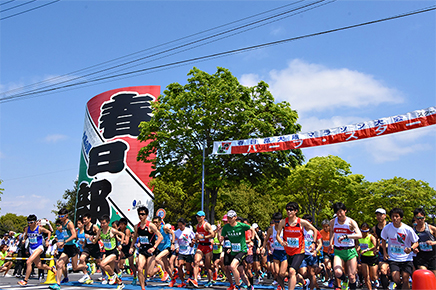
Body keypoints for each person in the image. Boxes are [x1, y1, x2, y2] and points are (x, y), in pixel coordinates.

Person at [276, 202, 318, 290]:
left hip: (299, 251)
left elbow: (314, 230)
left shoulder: (301, 222)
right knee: (284, 273)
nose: (289, 211)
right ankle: (304, 282)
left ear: (296, 211)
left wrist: (313, 243)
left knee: (291, 271)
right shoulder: (283, 222)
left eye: (291, 210)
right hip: (288, 252)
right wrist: (281, 242)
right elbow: (277, 235)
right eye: (287, 209)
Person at [381, 207, 419, 290]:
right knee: (396, 278)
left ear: (401, 217)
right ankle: (399, 285)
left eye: (397, 216)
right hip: (394, 258)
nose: (394, 218)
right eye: (393, 216)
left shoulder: (408, 229)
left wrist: (411, 249)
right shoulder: (387, 228)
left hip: (406, 258)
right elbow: (383, 240)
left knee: (405, 278)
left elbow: (416, 242)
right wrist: (385, 252)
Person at [329, 202, 362, 290]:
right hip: (338, 251)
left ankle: (351, 284)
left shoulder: (351, 222)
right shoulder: (332, 222)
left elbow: (359, 235)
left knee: (352, 276)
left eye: (341, 212)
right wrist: (330, 244)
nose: (339, 214)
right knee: (337, 272)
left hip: (350, 251)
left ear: (345, 211)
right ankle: (344, 279)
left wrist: (347, 236)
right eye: (337, 212)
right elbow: (332, 232)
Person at [129, 206, 163, 290]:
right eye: (139, 214)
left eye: (142, 214)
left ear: (146, 215)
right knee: (140, 269)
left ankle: (158, 269)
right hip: (142, 250)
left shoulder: (151, 225)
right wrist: (131, 247)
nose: (140, 216)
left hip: (150, 250)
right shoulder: (137, 226)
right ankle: (143, 288)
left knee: (149, 273)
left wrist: (154, 247)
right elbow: (135, 237)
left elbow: (160, 237)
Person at [219, 210, 253, 290]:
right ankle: (249, 286)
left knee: (232, 266)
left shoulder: (241, 225)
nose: (229, 219)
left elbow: (252, 228)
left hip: (242, 250)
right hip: (233, 251)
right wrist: (219, 233)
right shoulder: (226, 227)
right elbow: (221, 239)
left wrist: (252, 238)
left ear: (235, 217)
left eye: (231, 218)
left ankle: (237, 285)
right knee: (241, 271)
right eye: (228, 218)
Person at [17, 214, 53, 286]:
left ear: (35, 222)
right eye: (28, 223)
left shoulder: (39, 228)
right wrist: (24, 239)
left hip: (39, 247)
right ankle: (51, 268)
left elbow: (49, 232)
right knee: (39, 265)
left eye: (31, 222)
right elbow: (26, 235)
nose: (30, 224)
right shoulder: (27, 229)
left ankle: (25, 280)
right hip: (31, 248)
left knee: (28, 262)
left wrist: (47, 241)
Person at [96, 214, 126, 290]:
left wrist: (121, 245)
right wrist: (91, 239)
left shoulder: (112, 230)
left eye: (103, 223)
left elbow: (122, 234)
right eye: (101, 223)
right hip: (107, 252)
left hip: (114, 252)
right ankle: (120, 283)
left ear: (108, 223)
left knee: (102, 264)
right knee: (108, 269)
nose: (102, 225)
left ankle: (113, 275)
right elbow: (95, 240)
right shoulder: (100, 231)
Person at [190, 210, 215, 288]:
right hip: (200, 246)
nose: (198, 218)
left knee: (208, 266)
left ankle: (210, 279)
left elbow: (213, 234)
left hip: (207, 246)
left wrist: (204, 237)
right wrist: (195, 240)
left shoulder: (207, 225)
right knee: (196, 261)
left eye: (200, 216)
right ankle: (195, 280)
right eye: (197, 216)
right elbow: (199, 237)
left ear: (203, 217)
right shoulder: (197, 226)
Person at [263, 212, 287, 289]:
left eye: (279, 221)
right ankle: (282, 287)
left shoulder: (285, 229)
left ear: (282, 220)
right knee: (276, 272)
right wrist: (263, 247)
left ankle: (293, 274)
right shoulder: (271, 230)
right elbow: (265, 240)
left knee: (282, 273)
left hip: (284, 252)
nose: (277, 223)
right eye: (275, 221)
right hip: (276, 251)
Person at [171, 217, 196, 288]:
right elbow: (175, 240)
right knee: (179, 265)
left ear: (184, 224)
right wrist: (176, 247)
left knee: (188, 267)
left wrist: (192, 243)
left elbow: (193, 238)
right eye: (178, 225)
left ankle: (190, 277)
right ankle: (182, 281)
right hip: (181, 251)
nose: (180, 227)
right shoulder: (176, 232)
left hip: (189, 251)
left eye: (181, 225)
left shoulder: (189, 231)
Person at [77, 213, 100, 284]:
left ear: (89, 219)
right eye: (83, 220)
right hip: (87, 246)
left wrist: (92, 237)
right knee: (82, 259)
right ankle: (86, 275)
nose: (84, 221)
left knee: (99, 263)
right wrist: (84, 244)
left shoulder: (94, 227)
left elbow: (100, 236)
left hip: (94, 246)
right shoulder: (84, 228)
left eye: (85, 219)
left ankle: (106, 276)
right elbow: (85, 238)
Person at [412, 208, 436, 276]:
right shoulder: (413, 230)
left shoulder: (431, 228)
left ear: (425, 218)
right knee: (424, 274)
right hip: (421, 255)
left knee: (434, 276)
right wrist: (414, 248)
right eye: (418, 218)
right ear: (415, 218)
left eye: (421, 218)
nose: (420, 220)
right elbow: (411, 242)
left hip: (432, 255)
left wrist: (433, 243)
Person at [372, 208, 390, 289]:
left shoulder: (391, 225)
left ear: (385, 216)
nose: (378, 216)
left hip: (393, 251)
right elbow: (376, 240)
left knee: (393, 272)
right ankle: (385, 287)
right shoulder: (375, 228)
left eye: (380, 215)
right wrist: (376, 248)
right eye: (377, 215)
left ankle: (395, 283)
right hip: (382, 252)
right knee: (383, 270)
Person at [357, 222, 378, 290]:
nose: (364, 233)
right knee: (366, 276)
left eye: (366, 231)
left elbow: (375, 246)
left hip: (372, 257)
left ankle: (375, 282)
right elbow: (358, 245)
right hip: (364, 257)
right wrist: (358, 250)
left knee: (373, 277)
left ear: (368, 231)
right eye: (362, 231)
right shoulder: (359, 237)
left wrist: (367, 249)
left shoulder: (371, 237)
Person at [117, 217, 137, 285]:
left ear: (125, 225)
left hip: (128, 248)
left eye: (122, 224)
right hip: (122, 248)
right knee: (117, 260)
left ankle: (135, 277)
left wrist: (118, 238)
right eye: (120, 224)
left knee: (131, 264)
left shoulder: (127, 230)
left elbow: (126, 242)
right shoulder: (118, 230)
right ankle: (118, 275)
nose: (121, 226)